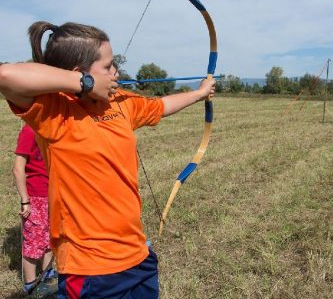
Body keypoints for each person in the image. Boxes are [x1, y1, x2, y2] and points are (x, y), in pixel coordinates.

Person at [0, 21, 216, 298]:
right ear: (79, 74)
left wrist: (198, 94)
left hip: (137, 256)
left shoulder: (119, 102)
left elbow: (160, 106)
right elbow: (6, 75)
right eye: (107, 66)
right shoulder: (54, 112)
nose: (116, 72)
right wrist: (86, 84)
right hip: (89, 267)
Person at [13, 124, 57, 295]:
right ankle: (31, 285)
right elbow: (18, 169)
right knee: (34, 241)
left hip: (55, 193)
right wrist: (25, 200)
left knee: (51, 236)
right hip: (36, 195)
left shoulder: (55, 128)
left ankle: (47, 274)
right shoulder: (30, 130)